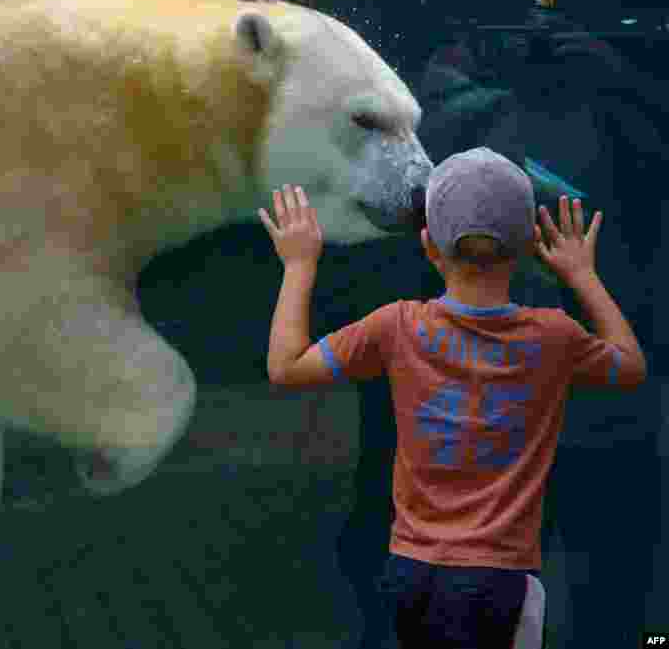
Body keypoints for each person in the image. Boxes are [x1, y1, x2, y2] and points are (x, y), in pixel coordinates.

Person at [257, 147, 647, 649]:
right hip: (502, 581)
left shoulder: (395, 327)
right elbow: (630, 365)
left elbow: (285, 367)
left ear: (428, 246)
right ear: (531, 243)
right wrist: (581, 273)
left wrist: (298, 263)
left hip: (410, 573)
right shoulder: (555, 338)